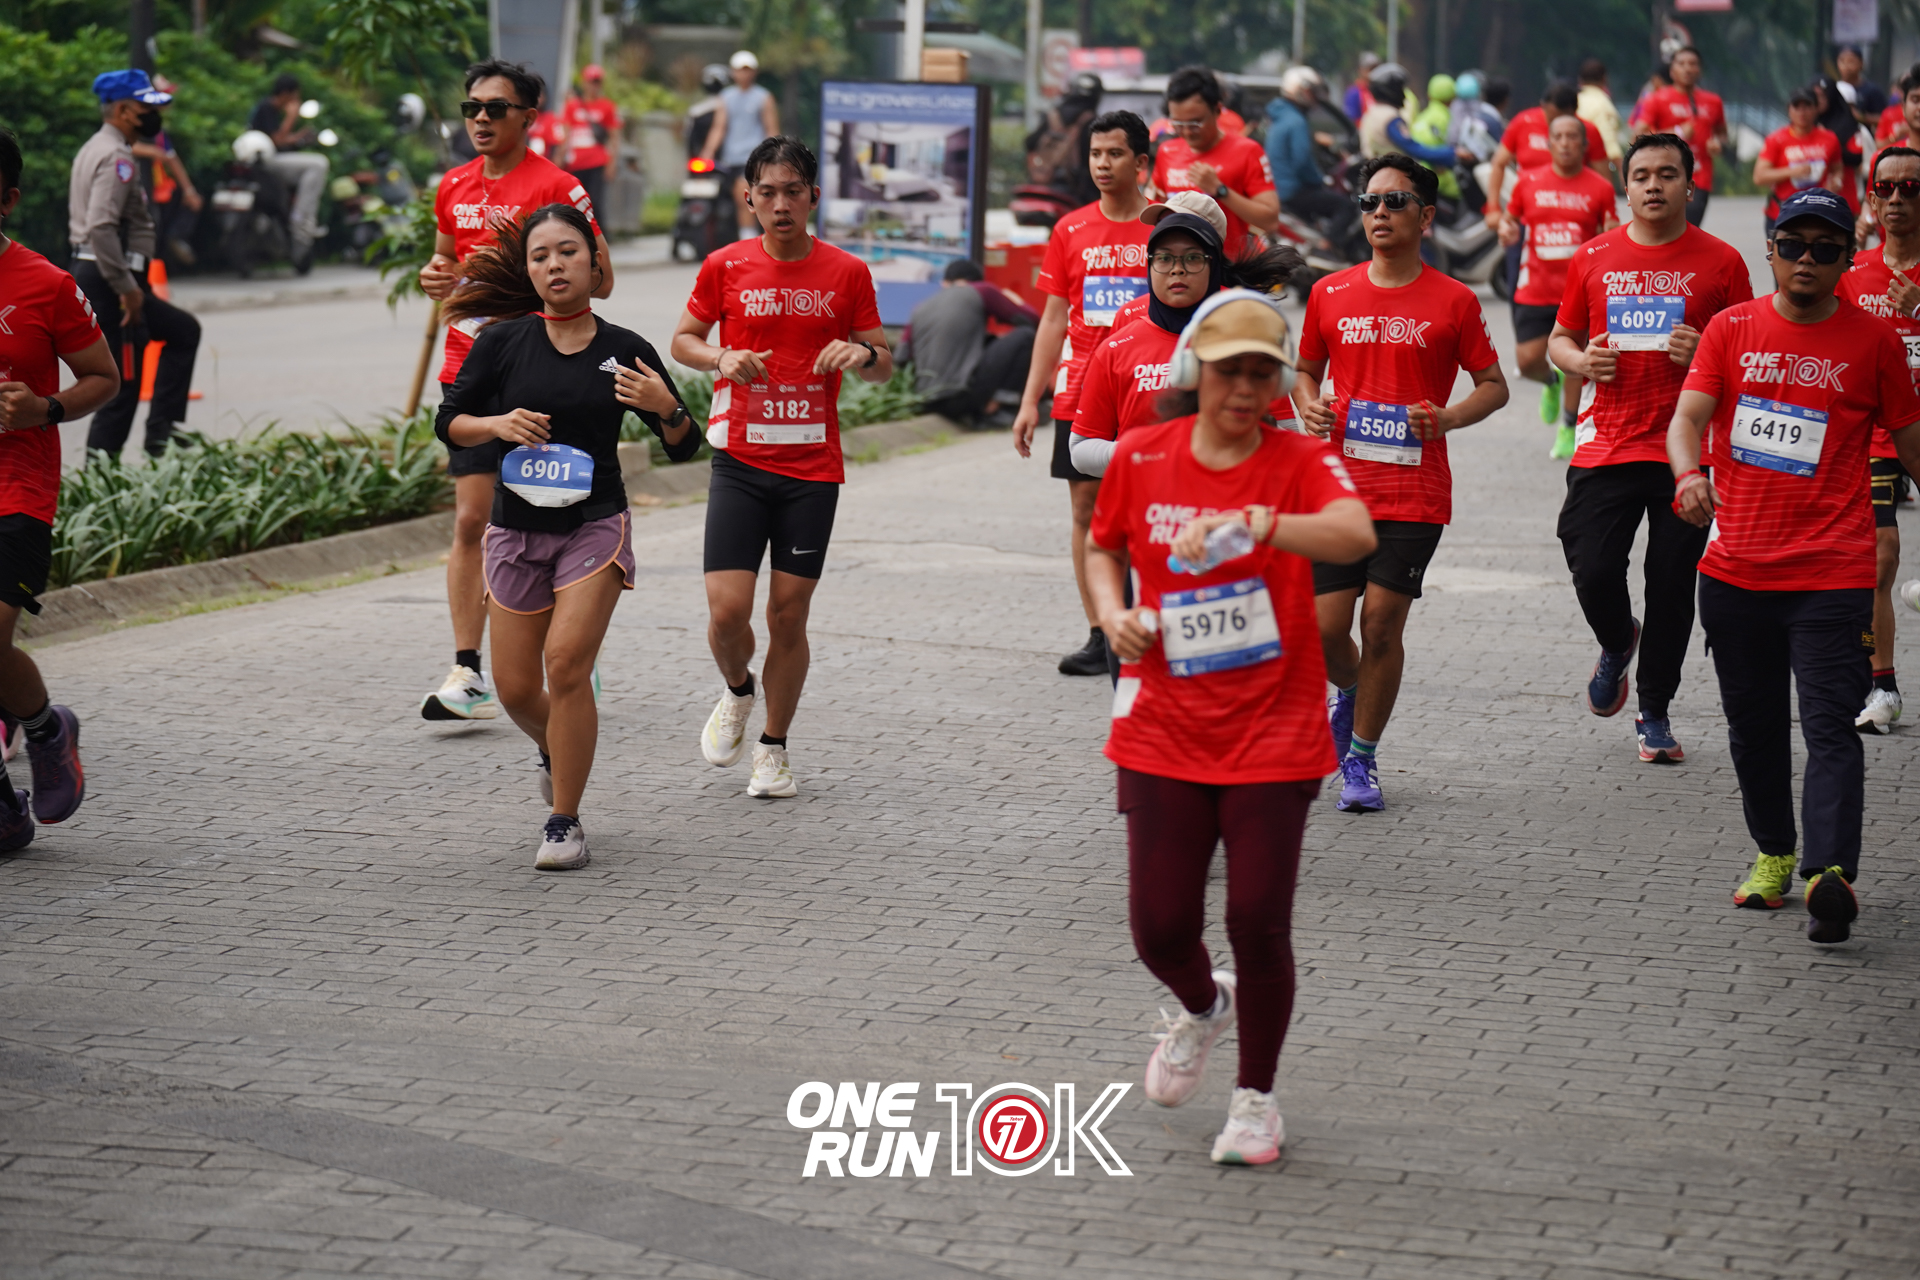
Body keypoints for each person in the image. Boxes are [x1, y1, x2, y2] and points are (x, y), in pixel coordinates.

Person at [1086, 290, 1375, 1166]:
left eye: (1261, 373)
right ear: (1194, 373)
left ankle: (1256, 1103)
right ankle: (1203, 1008)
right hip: (1162, 725)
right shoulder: (1143, 455)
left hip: (1272, 727)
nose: (1245, 389)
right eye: (1228, 372)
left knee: (1257, 918)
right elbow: (1102, 545)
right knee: (1158, 926)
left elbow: (1354, 531)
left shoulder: (1299, 459)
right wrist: (1112, 615)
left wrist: (1259, 522)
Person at [1669, 186, 1920, 945]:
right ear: (1771, 251)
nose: (1807, 259)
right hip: (1735, 573)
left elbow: (1913, 445)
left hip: (1832, 575)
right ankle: (1775, 852)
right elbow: (1687, 418)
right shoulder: (1731, 329)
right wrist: (1688, 475)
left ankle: (1828, 875)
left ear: (1847, 260)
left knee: (1831, 728)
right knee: (1753, 731)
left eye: (1826, 248)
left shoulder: (1873, 342)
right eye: (1793, 245)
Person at [436, 205, 698, 868]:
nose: (555, 265)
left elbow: (683, 444)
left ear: (595, 263)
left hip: (594, 526)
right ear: (529, 271)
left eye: (568, 252)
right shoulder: (503, 343)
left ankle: (564, 822)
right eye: (540, 256)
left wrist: (666, 407)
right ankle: (556, 748)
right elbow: (450, 422)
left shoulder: (624, 349)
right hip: (515, 531)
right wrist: (496, 426)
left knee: (567, 663)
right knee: (515, 687)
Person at [670, 136, 891, 799]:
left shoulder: (847, 272)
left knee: (788, 616)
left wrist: (859, 354)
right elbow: (682, 340)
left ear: (814, 197)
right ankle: (739, 689)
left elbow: (883, 360)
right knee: (726, 613)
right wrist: (720, 358)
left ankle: (773, 747)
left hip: (811, 470)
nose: (781, 204)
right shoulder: (724, 265)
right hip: (739, 460)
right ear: (749, 199)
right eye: (767, 192)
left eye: (793, 191)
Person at [1295, 154, 1509, 812]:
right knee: (1325, 629)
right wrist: (1308, 404)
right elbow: (1304, 371)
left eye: (1395, 201)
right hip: (1335, 489)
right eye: (1369, 202)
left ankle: (1361, 760)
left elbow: (1494, 386)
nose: (1379, 212)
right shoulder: (1330, 292)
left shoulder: (1455, 300)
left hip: (1413, 493)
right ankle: (1353, 691)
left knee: (1381, 625)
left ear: (1426, 216)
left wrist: (1447, 417)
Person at [417, 59, 614, 724]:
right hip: (471, 372)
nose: (480, 118)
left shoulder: (558, 186)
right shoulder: (453, 184)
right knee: (471, 521)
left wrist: (527, 281)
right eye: (471, 107)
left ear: (528, 117)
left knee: (547, 516)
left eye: (495, 108)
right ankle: (468, 669)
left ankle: (568, 650)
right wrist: (436, 275)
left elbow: (604, 279)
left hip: (540, 372)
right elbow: (444, 261)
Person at [1547, 133, 1752, 763]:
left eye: (1667, 174)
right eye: (1641, 176)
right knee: (1592, 567)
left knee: (1671, 585)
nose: (1654, 185)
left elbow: (1753, 355)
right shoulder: (1593, 256)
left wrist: (1708, 352)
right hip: (1606, 444)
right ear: (1625, 187)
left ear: (1690, 185)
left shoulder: (1722, 262)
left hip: (1687, 455)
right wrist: (1581, 361)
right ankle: (1617, 640)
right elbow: (1559, 339)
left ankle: (1655, 710)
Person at [0, 127, 120, 849]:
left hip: (16, 486)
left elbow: (104, 377)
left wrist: (44, 408)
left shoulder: (44, 284)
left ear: (7, 199)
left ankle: (45, 731)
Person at [1011, 110, 1155, 678]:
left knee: (1148, 508)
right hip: (1080, 394)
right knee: (1084, 510)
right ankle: (1101, 630)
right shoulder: (1070, 230)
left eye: (1114, 154)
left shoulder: (1163, 227)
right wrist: (1031, 400)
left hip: (1147, 393)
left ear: (1140, 162)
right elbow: (1053, 319)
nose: (1102, 164)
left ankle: (1147, 623)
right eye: (1095, 154)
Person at [1071, 192, 1303, 480]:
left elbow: (1288, 435)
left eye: (1192, 257)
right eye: (1164, 256)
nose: (1177, 269)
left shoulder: (1247, 329)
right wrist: (1146, 454)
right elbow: (1083, 447)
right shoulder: (1117, 344)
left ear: (1212, 259)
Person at [69, 69, 203, 460]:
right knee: (122, 381)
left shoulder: (99, 147)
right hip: (110, 278)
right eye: (147, 108)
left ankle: (160, 433)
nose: (154, 117)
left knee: (182, 331)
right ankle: (101, 473)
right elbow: (101, 226)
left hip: (110, 274)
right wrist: (126, 289)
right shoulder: (115, 157)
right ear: (125, 111)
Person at [1839, 145, 1920, 734]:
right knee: (1880, 560)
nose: (1896, 198)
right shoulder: (1851, 275)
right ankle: (1882, 686)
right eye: (1885, 188)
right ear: (1871, 198)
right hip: (1878, 437)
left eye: (1910, 188)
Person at [1500, 114, 1618, 458]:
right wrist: (1506, 229)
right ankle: (1550, 383)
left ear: (1583, 145)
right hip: (1534, 289)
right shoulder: (1528, 182)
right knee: (1527, 361)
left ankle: (1568, 427)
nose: (1565, 143)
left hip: (1578, 292)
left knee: (1575, 362)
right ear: (1549, 143)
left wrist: (1612, 235)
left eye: (1572, 136)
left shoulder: (1600, 187)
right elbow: (1510, 219)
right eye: (1559, 137)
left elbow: (1610, 231)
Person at [1152, 66, 1280, 260]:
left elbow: (1270, 221)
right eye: (1178, 124)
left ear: (1218, 110)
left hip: (1228, 267)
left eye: (1195, 123)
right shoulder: (1167, 152)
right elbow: (1155, 208)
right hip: (1180, 267)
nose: (1186, 132)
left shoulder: (1247, 151)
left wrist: (1220, 190)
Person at [897, 258, 1038, 426]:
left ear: (944, 283)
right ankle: (998, 409)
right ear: (976, 281)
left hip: (927, 401)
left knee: (989, 340)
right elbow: (1034, 321)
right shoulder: (982, 290)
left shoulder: (920, 308)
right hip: (963, 396)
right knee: (1026, 336)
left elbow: (901, 357)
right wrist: (1016, 301)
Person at [1483, 80, 1612, 229]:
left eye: (1565, 121)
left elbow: (1603, 180)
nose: (1558, 129)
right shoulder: (1523, 122)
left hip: (1575, 214)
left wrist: (1603, 222)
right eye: (1552, 119)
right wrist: (1493, 207)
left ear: (1574, 112)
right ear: (1543, 106)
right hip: (1527, 212)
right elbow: (1499, 163)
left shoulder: (1588, 132)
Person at [246, 73, 330, 272]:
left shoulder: (265, 108)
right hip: (266, 162)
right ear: (285, 94)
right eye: (295, 96)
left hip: (264, 161)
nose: (296, 101)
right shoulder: (267, 108)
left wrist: (300, 136)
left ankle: (297, 215)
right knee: (319, 164)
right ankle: (302, 218)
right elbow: (277, 140)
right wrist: (291, 116)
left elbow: (280, 138)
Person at [1636, 47, 1728, 227]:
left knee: (1689, 229)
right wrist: (1677, 132)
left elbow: (1722, 134)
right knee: (1665, 229)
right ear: (1672, 70)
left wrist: (1718, 144)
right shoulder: (1657, 99)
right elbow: (1639, 135)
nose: (1687, 68)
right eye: (1681, 64)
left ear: (1699, 70)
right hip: (1664, 175)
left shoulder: (1713, 101)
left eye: (1692, 64)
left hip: (1699, 177)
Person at [701, 51, 779, 241]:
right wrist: (707, 152)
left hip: (754, 159)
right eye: (739, 70)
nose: (743, 74)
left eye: (747, 70)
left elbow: (771, 129)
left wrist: (775, 157)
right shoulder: (726, 97)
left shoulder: (763, 97)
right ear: (733, 72)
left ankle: (748, 238)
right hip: (730, 160)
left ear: (754, 72)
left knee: (743, 193)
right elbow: (719, 127)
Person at [1754, 88, 1844, 236]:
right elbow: (1759, 177)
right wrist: (1793, 172)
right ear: (1789, 110)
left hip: (1818, 213)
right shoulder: (1776, 139)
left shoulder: (1829, 139)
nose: (1802, 112)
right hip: (1782, 213)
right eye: (1797, 107)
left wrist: (1836, 182)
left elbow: (1837, 168)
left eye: (1807, 106)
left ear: (1816, 109)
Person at [1265, 68, 1348, 229]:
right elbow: (1302, 162)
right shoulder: (1297, 121)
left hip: (1278, 190)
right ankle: (1328, 243)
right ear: (1299, 91)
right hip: (1293, 191)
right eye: (1311, 92)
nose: (1315, 97)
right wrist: (1320, 181)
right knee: (1345, 207)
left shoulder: (1279, 116)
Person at [562, 64, 620, 220]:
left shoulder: (607, 107)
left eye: (597, 82)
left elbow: (614, 137)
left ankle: (598, 233)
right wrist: (559, 160)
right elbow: (565, 136)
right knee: (573, 202)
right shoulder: (572, 106)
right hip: (575, 163)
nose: (594, 86)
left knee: (595, 203)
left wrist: (612, 163)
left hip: (597, 163)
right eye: (591, 82)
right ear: (584, 82)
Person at [1812, 77, 1868, 214]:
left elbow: (1856, 157)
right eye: (1814, 96)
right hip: (1807, 199)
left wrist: (1827, 143)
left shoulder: (1848, 125)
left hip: (1842, 198)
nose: (1819, 101)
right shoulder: (1804, 127)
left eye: (1823, 96)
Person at [1411, 75, 1462, 199]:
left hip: (1417, 176)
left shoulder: (1422, 117)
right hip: (1441, 180)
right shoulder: (1447, 118)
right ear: (1453, 96)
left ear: (1429, 95)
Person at [1577, 58, 1624, 168]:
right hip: (1593, 167)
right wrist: (1624, 171)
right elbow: (1609, 144)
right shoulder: (1603, 105)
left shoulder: (1574, 101)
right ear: (1605, 79)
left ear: (1580, 81)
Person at [1836, 45, 1888, 125]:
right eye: (1842, 61)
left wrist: (1861, 117)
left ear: (1861, 63)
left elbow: (1885, 119)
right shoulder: (1834, 89)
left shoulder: (1872, 91)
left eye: (1851, 61)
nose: (1846, 66)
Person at [1345, 52, 1381, 124]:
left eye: (1376, 68)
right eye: (1370, 69)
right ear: (1360, 70)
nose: (1374, 72)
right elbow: (1351, 119)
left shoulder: (1381, 90)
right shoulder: (1354, 92)